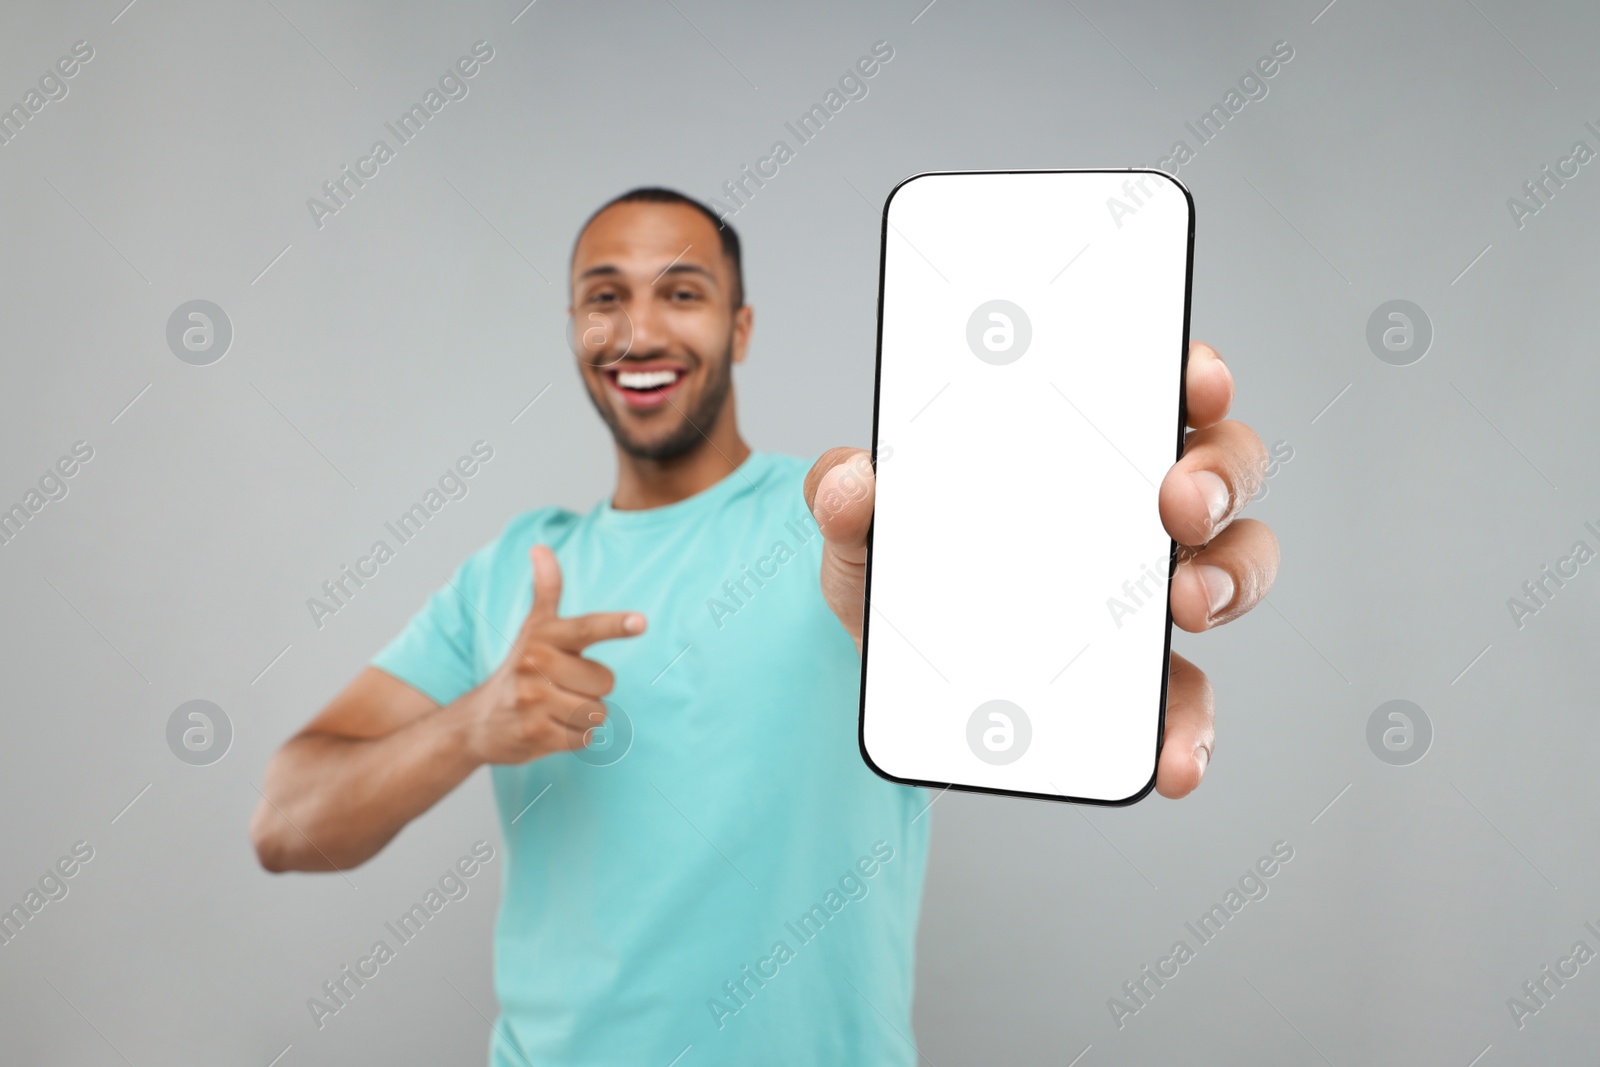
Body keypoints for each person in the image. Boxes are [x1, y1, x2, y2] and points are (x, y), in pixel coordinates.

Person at [249, 186, 1280, 1065]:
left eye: (681, 293)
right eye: (603, 297)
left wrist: (1075, 588)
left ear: (740, 327)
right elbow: (286, 822)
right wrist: (469, 724)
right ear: (573, 329)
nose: (639, 330)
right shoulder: (512, 571)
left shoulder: (855, 525)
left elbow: (942, 601)